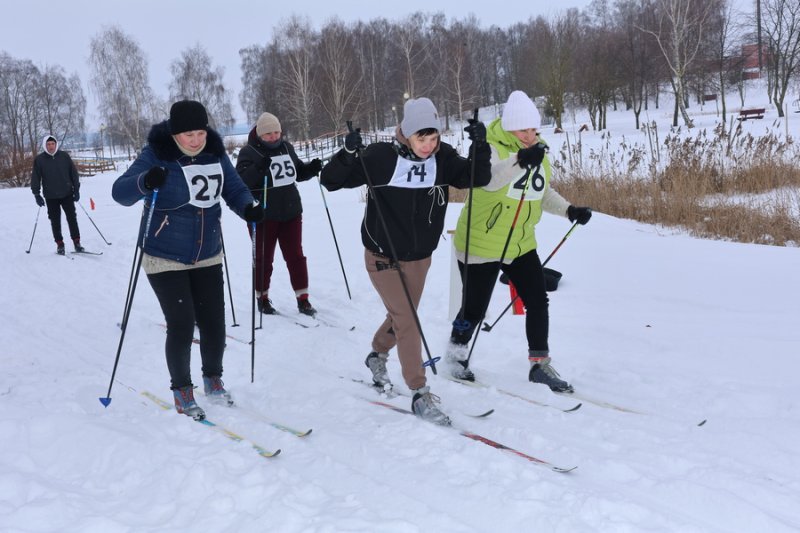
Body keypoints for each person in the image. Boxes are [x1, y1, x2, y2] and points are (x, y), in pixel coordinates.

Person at [321, 97, 491, 425]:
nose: (428, 146)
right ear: (406, 134)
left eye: (434, 138)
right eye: (421, 139)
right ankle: (419, 391)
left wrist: (480, 146)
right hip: (382, 256)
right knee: (408, 318)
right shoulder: (381, 157)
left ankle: (377, 355)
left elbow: (476, 178)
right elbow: (331, 180)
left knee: (402, 317)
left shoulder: (443, 158)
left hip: (420, 257)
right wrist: (347, 153)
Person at [112, 100, 264, 420]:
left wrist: (249, 207)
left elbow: (234, 190)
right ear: (174, 133)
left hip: (207, 253)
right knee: (182, 323)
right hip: (164, 255)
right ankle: (182, 390)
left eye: (200, 133)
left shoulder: (215, 153)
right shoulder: (157, 154)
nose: (195, 140)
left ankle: (213, 379)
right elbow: (120, 192)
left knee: (214, 323)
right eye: (187, 134)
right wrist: (145, 181)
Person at [447, 90, 593, 393]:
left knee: (538, 300)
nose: (530, 134)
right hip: (481, 242)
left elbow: (541, 191)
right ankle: (456, 355)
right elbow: (489, 181)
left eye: (534, 129)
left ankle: (539, 364)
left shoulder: (537, 151)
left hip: (520, 242)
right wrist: (520, 159)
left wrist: (569, 210)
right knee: (473, 309)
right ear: (510, 127)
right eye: (524, 129)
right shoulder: (492, 147)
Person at [235, 112, 322, 316]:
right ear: (259, 134)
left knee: (296, 256)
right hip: (264, 214)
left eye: (276, 132)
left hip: (291, 211)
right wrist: (258, 168)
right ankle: (262, 297)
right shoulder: (248, 152)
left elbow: (298, 172)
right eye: (268, 134)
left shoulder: (286, 147)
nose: (273, 137)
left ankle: (303, 298)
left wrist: (311, 169)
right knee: (264, 258)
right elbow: (241, 182)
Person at [30, 135, 83, 254]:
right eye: (48, 144)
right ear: (45, 145)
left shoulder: (64, 156)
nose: (50, 146)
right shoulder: (39, 160)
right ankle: (60, 244)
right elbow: (35, 178)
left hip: (67, 193)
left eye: (52, 144)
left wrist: (76, 190)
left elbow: (73, 173)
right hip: (51, 196)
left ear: (56, 144)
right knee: (55, 221)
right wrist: (36, 194)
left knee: (72, 218)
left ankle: (77, 242)